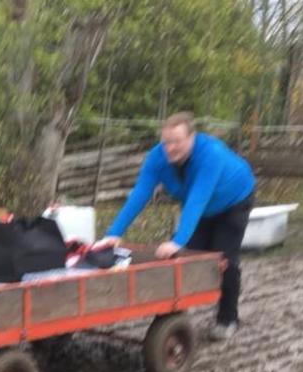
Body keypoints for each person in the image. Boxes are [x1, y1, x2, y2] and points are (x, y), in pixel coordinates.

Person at [95, 111, 255, 341]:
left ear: (192, 137)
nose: (170, 148)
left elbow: (197, 199)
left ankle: (227, 319)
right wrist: (113, 233)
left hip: (233, 201)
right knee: (181, 260)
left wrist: (177, 241)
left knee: (222, 260)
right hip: (201, 208)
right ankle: (175, 316)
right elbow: (139, 194)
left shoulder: (211, 155)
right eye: (166, 142)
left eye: (176, 142)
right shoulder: (157, 159)